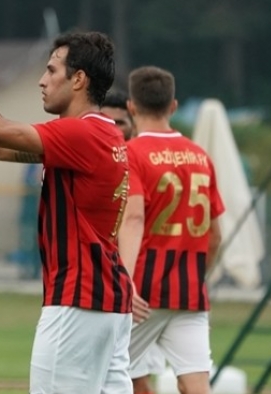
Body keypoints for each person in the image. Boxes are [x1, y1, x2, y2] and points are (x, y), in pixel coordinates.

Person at [0, 20, 134, 393]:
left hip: (78, 300)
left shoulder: (82, 132)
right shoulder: (100, 133)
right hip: (108, 303)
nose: (41, 81)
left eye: (51, 70)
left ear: (78, 79)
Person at [118, 65, 225, 394]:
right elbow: (215, 236)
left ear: (131, 107)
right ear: (173, 106)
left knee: (106, 375)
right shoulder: (200, 156)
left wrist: (125, 280)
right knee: (196, 385)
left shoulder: (131, 153)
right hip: (189, 293)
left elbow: (132, 218)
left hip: (141, 292)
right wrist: (196, 277)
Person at [103, 88, 166, 394]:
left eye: (121, 123)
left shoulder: (141, 165)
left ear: (133, 123)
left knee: (134, 379)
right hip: (101, 287)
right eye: (108, 123)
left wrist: (128, 282)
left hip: (136, 289)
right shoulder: (95, 168)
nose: (115, 130)